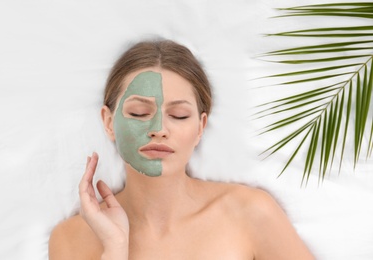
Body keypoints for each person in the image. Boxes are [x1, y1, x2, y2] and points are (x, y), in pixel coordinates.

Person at [49, 39, 314, 259]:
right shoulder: (71, 239)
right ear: (108, 122)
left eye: (178, 115)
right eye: (139, 113)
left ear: (200, 127)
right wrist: (115, 249)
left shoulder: (250, 212)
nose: (159, 129)